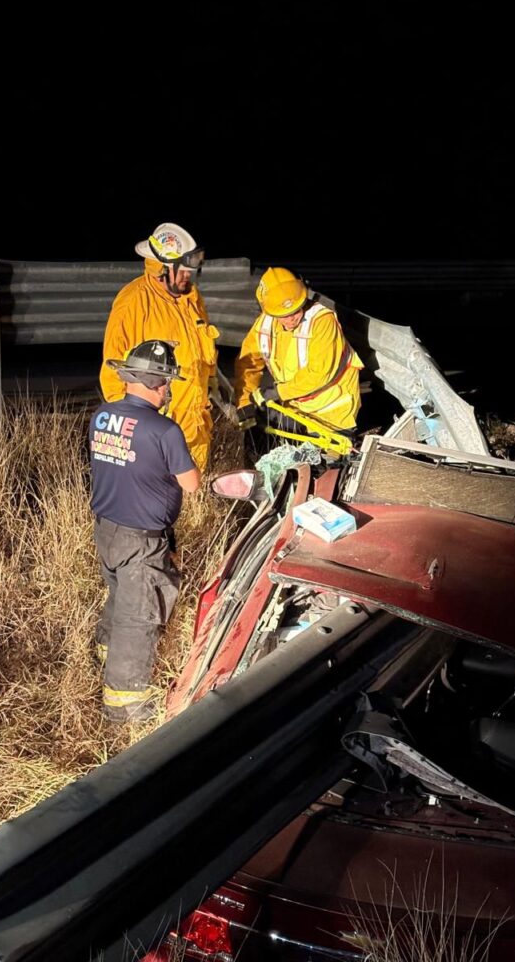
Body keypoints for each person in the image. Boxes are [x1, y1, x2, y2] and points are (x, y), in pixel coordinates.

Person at [90, 339, 201, 723]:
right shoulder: (165, 430)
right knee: (140, 618)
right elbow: (191, 484)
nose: (169, 390)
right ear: (157, 383)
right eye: (167, 383)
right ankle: (126, 705)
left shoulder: (103, 416)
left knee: (120, 598)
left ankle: (103, 654)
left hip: (107, 529)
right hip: (142, 539)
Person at [100, 222, 219, 472]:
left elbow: (204, 357)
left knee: (193, 502)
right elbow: (113, 372)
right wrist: (133, 430)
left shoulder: (191, 299)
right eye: (183, 270)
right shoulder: (133, 303)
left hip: (195, 429)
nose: (188, 276)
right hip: (157, 435)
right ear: (163, 269)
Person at [233, 267, 363, 435]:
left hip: (332, 409)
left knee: (332, 459)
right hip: (296, 408)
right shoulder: (265, 324)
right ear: (269, 310)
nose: (291, 318)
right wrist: (244, 403)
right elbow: (247, 364)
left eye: (296, 310)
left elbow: (318, 373)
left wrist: (276, 392)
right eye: (284, 314)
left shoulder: (323, 322)